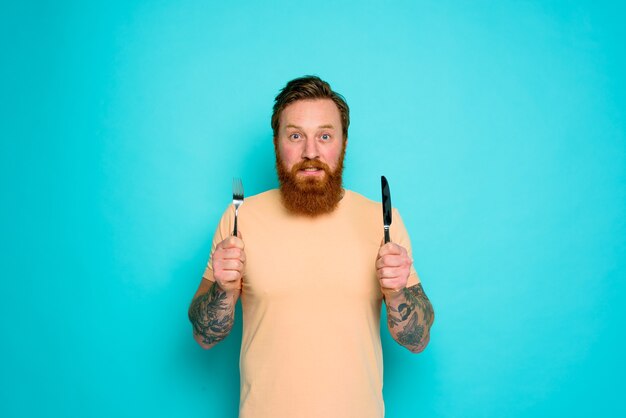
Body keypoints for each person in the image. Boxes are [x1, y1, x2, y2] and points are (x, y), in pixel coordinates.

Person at [188, 76, 434, 418]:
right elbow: (203, 337)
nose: (310, 152)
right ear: (277, 143)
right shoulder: (239, 218)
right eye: (295, 136)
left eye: (324, 135)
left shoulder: (382, 220)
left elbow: (418, 341)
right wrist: (225, 291)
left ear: (343, 143)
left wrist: (396, 296)